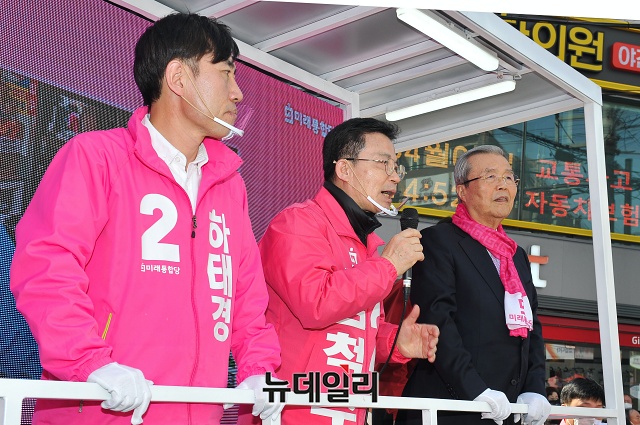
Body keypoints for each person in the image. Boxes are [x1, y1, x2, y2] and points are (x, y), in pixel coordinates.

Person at [10, 13, 282, 425]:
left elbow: (245, 298)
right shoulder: (96, 158)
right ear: (178, 78)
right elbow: (46, 267)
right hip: (100, 413)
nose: (237, 92)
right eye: (226, 72)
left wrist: (260, 370)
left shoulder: (229, 184)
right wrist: (91, 362)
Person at [255, 117, 440, 425]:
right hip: (294, 412)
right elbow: (315, 304)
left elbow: (351, 332)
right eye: (383, 163)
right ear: (344, 169)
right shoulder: (297, 223)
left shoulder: (367, 244)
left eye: (396, 167)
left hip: (345, 410)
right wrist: (388, 266)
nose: (395, 177)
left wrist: (395, 342)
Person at [397, 145, 550, 425]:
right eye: (491, 177)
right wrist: (475, 389)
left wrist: (535, 387)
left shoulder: (516, 255)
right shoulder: (438, 242)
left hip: (506, 411)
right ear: (462, 190)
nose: (503, 185)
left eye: (509, 177)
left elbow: (532, 326)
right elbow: (438, 321)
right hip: (450, 409)